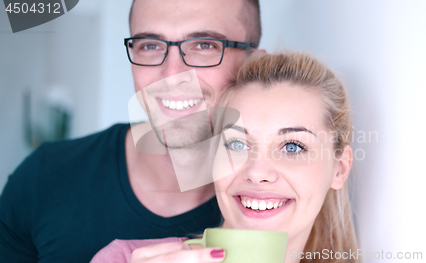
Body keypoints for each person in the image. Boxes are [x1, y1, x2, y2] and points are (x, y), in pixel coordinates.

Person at [0, 0, 263, 262]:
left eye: (204, 45)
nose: (171, 73)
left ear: (255, 65)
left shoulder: (280, 200)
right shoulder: (44, 177)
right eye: (150, 45)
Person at [90, 52, 360, 263]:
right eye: (237, 144)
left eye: (292, 147)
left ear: (340, 168)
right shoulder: (123, 259)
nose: (257, 171)